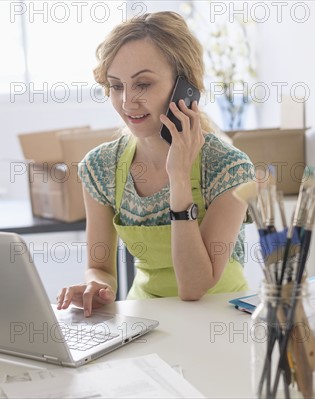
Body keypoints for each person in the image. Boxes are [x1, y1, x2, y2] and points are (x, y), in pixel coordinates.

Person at [57, 11, 254, 316]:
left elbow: (194, 287)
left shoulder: (228, 168)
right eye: (117, 86)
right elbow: (99, 267)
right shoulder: (101, 167)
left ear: (184, 86)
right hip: (147, 318)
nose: (127, 102)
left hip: (220, 320)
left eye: (143, 84)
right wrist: (95, 285)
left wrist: (178, 178)